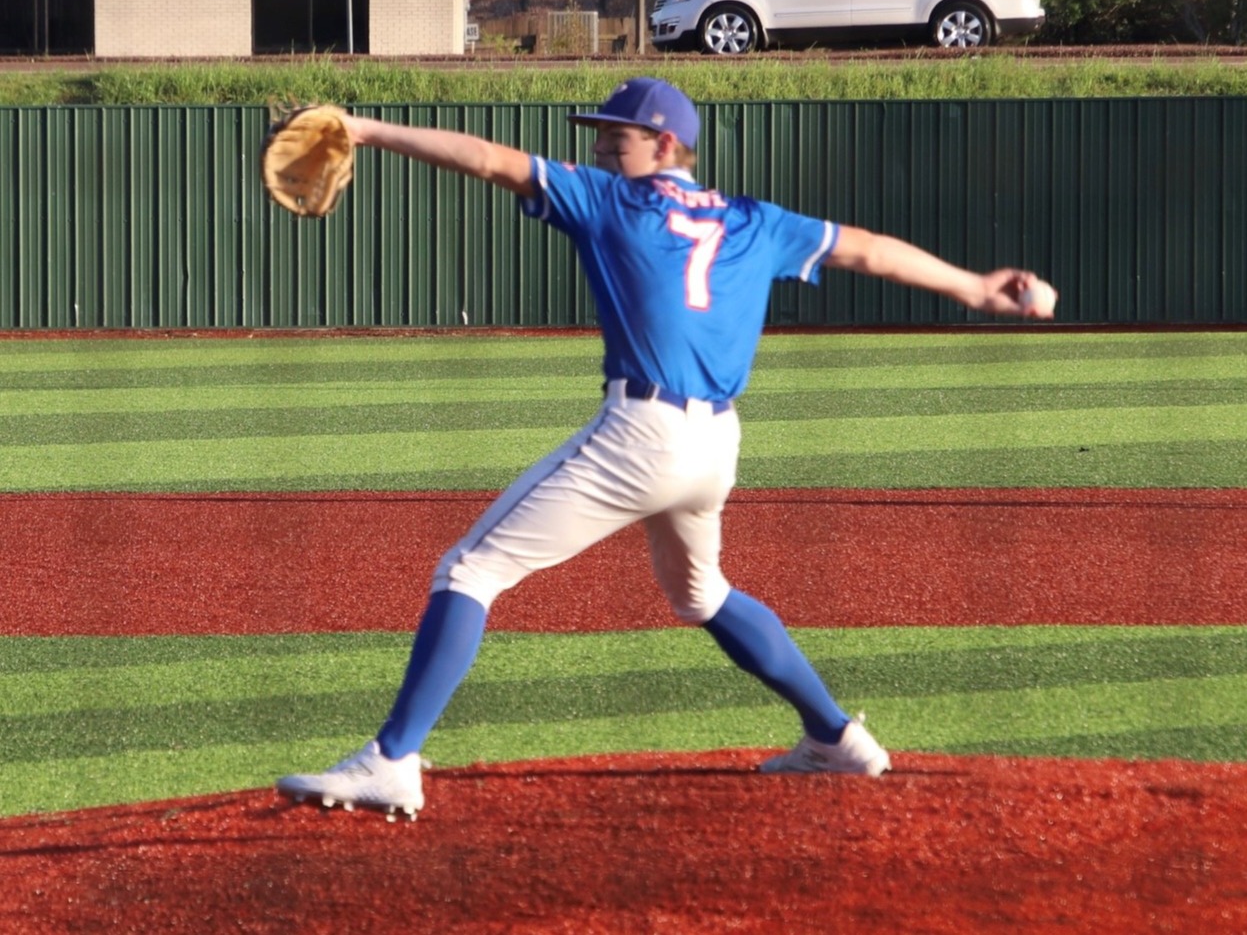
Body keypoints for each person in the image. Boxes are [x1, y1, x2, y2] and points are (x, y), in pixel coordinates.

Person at [276, 77, 1053, 820]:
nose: (602, 148)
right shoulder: (753, 219)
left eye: (617, 137)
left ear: (664, 143)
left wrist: (366, 129)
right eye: (602, 138)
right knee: (699, 594)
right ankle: (836, 739)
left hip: (641, 437)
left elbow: (485, 159)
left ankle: (391, 759)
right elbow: (870, 250)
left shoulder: (610, 201)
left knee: (470, 571)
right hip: (714, 445)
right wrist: (976, 289)